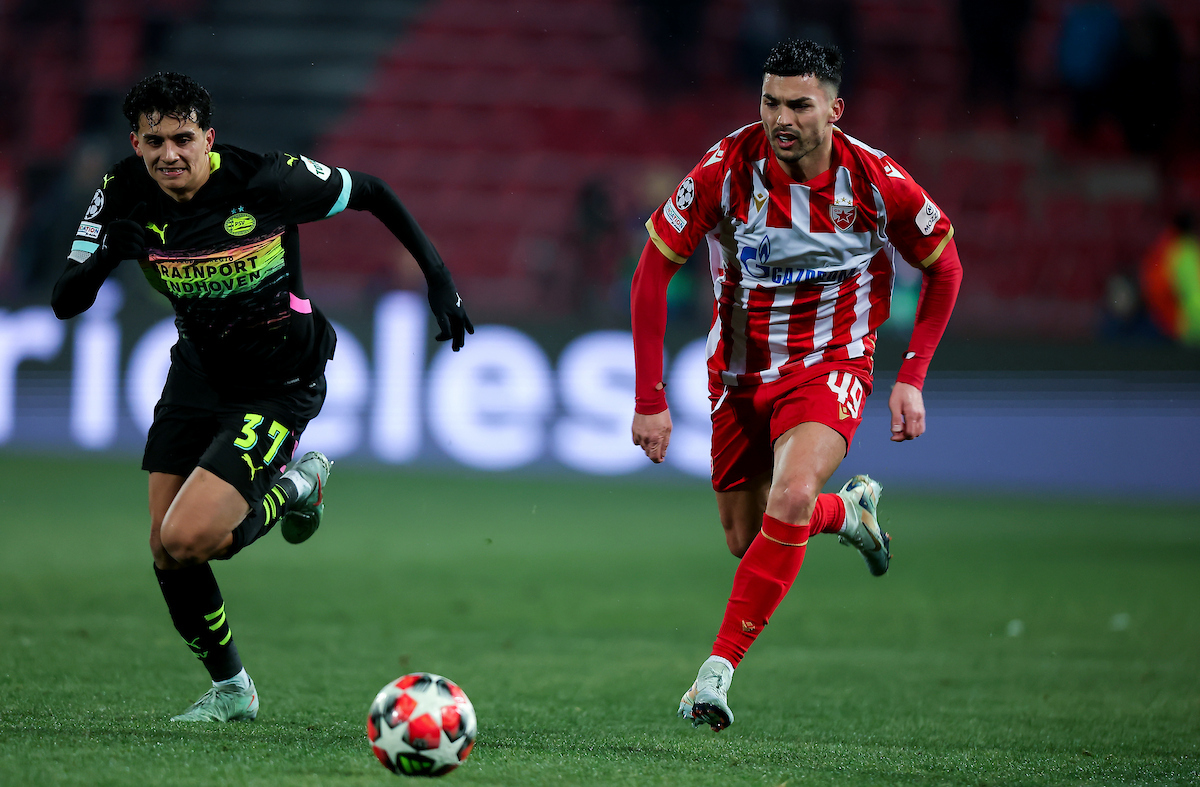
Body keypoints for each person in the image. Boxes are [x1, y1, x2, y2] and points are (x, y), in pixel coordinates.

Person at [51, 72, 473, 722]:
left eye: (183, 138)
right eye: (155, 140)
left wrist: (439, 281)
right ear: (135, 143)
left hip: (280, 380)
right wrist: (108, 256)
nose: (170, 153)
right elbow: (64, 299)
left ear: (207, 138)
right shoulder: (120, 191)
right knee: (166, 547)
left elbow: (374, 192)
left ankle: (296, 485)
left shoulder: (266, 179)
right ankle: (232, 690)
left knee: (190, 537)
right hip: (196, 372)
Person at [630, 40, 961, 731]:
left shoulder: (878, 183)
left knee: (791, 492)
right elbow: (653, 269)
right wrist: (650, 398)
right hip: (738, 371)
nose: (781, 117)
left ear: (834, 111)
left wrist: (912, 376)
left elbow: (945, 265)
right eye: (770, 101)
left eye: (799, 104)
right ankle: (850, 513)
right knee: (746, 539)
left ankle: (713, 676)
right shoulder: (726, 169)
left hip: (831, 364)